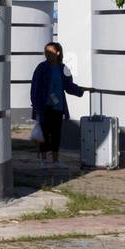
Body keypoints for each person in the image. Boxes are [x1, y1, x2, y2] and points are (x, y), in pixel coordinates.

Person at [29, 41, 87, 181]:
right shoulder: (41, 68)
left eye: (50, 52)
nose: (47, 54)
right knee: (44, 134)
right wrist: (36, 105)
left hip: (58, 107)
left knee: (56, 134)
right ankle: (43, 160)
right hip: (44, 107)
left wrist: (80, 90)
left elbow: (69, 86)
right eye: (46, 52)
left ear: (58, 53)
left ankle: (55, 161)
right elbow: (34, 87)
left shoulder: (64, 68)